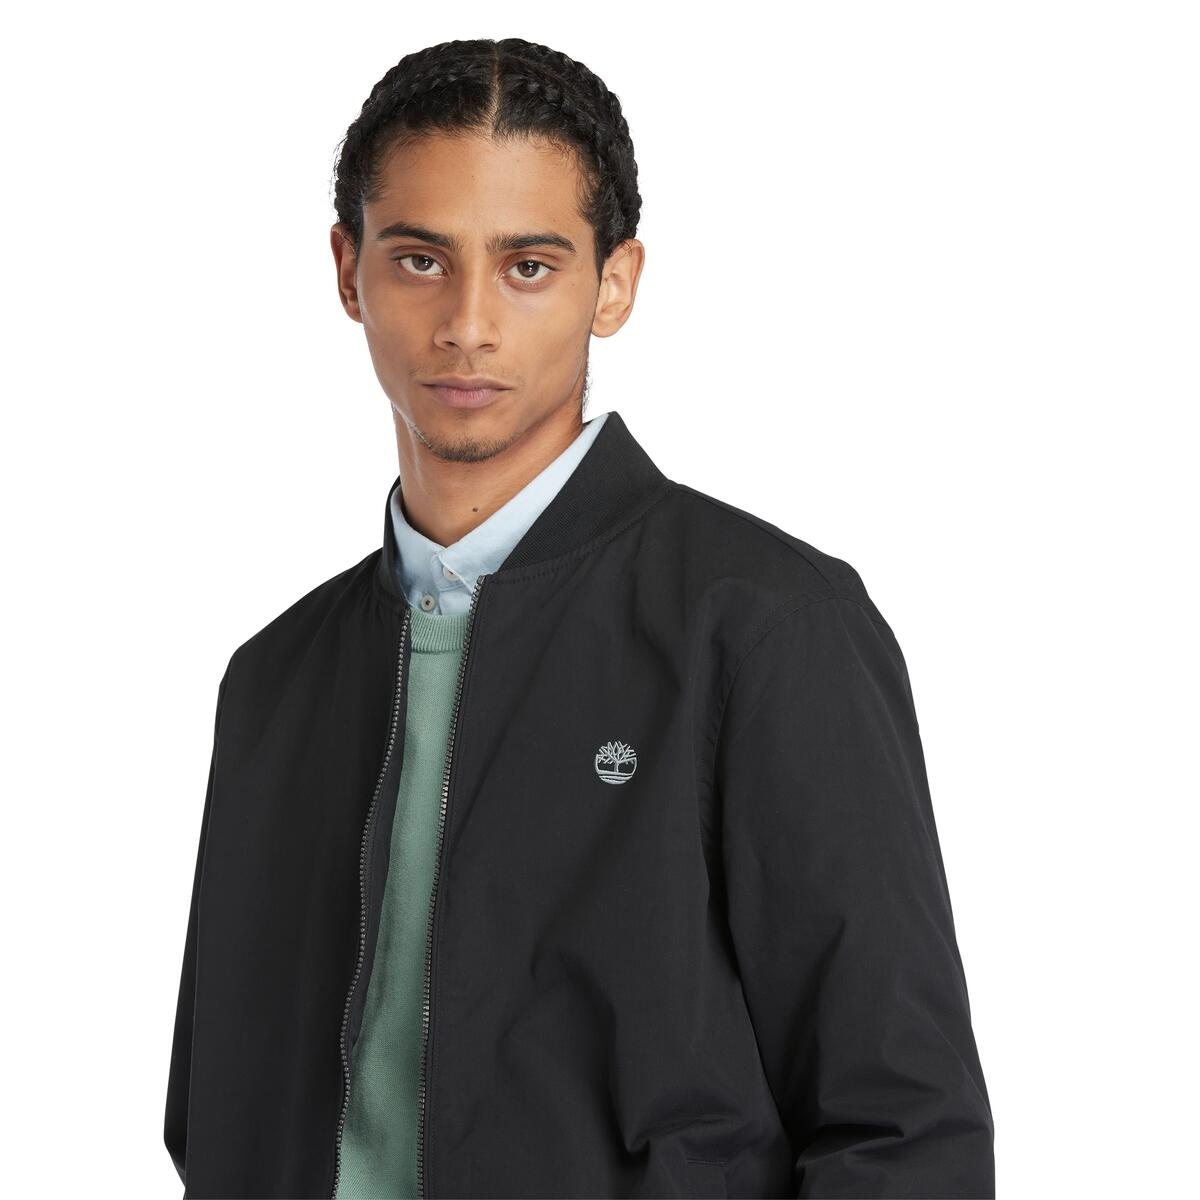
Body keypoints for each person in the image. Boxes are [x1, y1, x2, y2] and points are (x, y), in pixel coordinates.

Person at [163, 36, 995, 1200]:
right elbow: (216, 1121)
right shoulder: (275, 681)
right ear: (349, 271)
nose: (466, 323)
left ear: (615, 284)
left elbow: (905, 1134)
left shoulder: (763, 630)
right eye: (419, 259)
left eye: (528, 266)